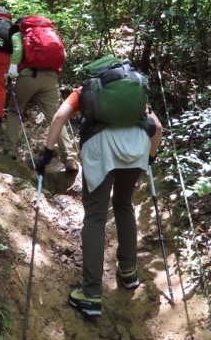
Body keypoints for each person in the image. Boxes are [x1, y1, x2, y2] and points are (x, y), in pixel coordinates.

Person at [34, 63, 163, 318]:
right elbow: (156, 127)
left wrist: (47, 154)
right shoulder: (134, 93)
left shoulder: (86, 90)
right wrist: (150, 158)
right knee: (124, 205)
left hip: (101, 148)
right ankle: (128, 271)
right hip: (136, 147)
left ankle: (91, 293)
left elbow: (60, 117)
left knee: (95, 216)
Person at [3, 16, 78, 171]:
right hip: (50, 77)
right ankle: (69, 158)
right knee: (56, 117)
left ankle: (10, 150)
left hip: (28, 75)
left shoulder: (20, 34)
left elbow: (17, 51)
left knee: (15, 111)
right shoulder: (50, 33)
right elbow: (63, 55)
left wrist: (12, 69)